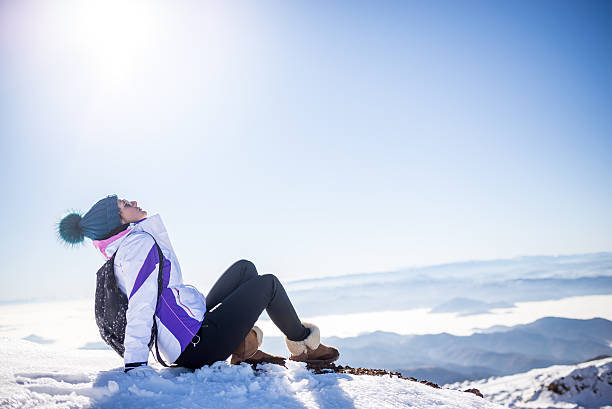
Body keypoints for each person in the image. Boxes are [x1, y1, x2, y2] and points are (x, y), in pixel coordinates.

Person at [57, 194, 339, 372]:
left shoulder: (130, 246)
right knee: (269, 284)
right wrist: (135, 365)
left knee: (244, 269)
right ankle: (306, 347)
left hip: (189, 332)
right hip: (195, 346)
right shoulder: (136, 248)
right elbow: (140, 307)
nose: (133, 202)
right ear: (117, 221)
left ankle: (243, 348)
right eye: (125, 205)